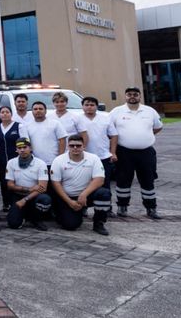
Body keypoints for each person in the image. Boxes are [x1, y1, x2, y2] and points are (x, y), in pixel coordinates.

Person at [110, 87, 163, 219]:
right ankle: (122, 207)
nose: (132, 96)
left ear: (140, 96)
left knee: (148, 180)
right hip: (124, 152)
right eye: (129, 94)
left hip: (146, 152)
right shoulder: (116, 111)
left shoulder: (150, 111)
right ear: (125, 96)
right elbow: (110, 130)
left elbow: (158, 127)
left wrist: (143, 137)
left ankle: (151, 208)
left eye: (135, 94)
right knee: (123, 180)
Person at [50, 134, 111, 235]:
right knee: (71, 225)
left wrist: (84, 194)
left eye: (78, 145)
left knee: (104, 193)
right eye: (72, 145)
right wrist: (69, 202)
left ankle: (99, 223)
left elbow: (99, 180)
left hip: (86, 195)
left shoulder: (93, 158)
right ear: (68, 147)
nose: (75, 148)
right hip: (67, 197)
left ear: (84, 146)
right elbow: (56, 184)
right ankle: (66, 213)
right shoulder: (58, 160)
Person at [80, 96, 118, 216]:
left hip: (103, 157)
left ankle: (107, 208)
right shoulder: (77, 119)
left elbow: (114, 136)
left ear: (97, 106)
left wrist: (113, 152)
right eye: (86, 105)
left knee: (105, 183)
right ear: (83, 106)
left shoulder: (106, 118)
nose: (89, 107)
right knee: (84, 183)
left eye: (92, 105)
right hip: (84, 158)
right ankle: (83, 207)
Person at [5, 138, 51, 231]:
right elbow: (10, 185)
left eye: (25, 147)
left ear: (30, 148)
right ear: (16, 150)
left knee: (45, 199)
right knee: (13, 224)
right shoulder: (11, 163)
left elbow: (43, 188)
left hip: (35, 196)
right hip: (18, 195)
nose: (22, 150)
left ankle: (36, 219)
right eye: (19, 148)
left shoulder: (40, 163)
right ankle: (24, 215)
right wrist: (27, 189)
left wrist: (25, 199)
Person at [0, 106, 29, 210]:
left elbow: (25, 142)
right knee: (4, 182)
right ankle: (6, 203)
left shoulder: (19, 126)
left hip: (16, 159)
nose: (4, 114)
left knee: (17, 181)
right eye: (2, 112)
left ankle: (18, 203)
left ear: (11, 114)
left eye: (7, 112)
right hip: (2, 160)